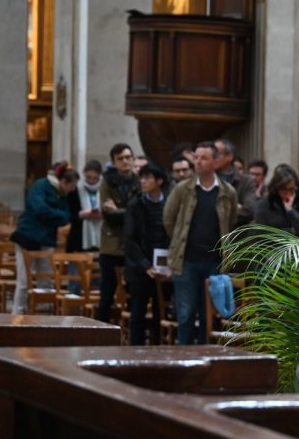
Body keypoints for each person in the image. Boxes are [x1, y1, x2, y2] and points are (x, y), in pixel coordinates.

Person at [163, 142, 237, 344]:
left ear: (215, 161)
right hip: (186, 260)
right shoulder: (182, 189)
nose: (198, 162)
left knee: (209, 315)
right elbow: (169, 219)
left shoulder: (227, 191)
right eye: (196, 157)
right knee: (186, 314)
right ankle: (184, 358)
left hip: (214, 260)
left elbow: (230, 221)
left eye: (203, 158)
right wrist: (179, 239)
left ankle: (208, 357)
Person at [9, 163, 76, 314]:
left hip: (46, 240)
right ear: (64, 181)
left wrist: (53, 215)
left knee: (46, 281)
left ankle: (43, 316)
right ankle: (16, 317)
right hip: (27, 237)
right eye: (72, 185)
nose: (73, 189)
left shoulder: (62, 194)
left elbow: (67, 216)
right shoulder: (41, 185)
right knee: (24, 282)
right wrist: (56, 216)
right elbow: (40, 209)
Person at [124, 163, 171, 346]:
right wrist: (145, 265)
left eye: (148, 178)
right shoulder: (135, 204)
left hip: (163, 266)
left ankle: (158, 348)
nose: (143, 181)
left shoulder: (169, 202)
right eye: (141, 178)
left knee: (161, 312)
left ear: (159, 181)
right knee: (138, 312)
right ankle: (135, 351)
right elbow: (129, 239)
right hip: (140, 267)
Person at [97, 143, 138, 324]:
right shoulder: (107, 182)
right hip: (111, 243)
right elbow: (108, 214)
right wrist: (130, 211)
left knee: (133, 290)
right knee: (107, 291)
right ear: (114, 162)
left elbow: (140, 213)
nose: (125, 161)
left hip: (133, 242)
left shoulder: (139, 181)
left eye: (128, 157)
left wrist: (122, 210)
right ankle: (101, 331)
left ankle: (129, 330)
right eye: (120, 158)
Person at [252, 165, 299, 239]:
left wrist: (291, 211)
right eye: (283, 189)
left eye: (291, 189)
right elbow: (261, 234)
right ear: (277, 188)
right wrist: (292, 231)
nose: (287, 193)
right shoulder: (264, 204)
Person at [67, 159, 103, 253]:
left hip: (101, 234)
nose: (91, 181)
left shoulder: (105, 188)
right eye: (88, 177)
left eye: (95, 178)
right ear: (84, 174)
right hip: (79, 235)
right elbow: (69, 214)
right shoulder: (76, 189)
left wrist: (104, 214)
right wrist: (80, 214)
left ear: (100, 175)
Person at [235, 158, 269, 225]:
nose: (253, 177)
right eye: (252, 174)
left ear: (264, 176)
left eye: (258, 175)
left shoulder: (268, 191)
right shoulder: (242, 189)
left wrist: (259, 197)